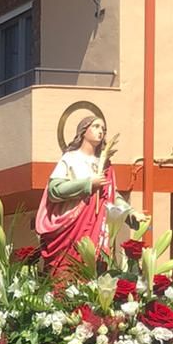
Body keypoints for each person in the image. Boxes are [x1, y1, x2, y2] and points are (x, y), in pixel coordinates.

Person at [35, 113, 125, 269]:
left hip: (96, 228)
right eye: (96, 126)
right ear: (83, 131)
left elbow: (112, 195)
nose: (101, 131)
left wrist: (130, 212)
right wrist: (88, 184)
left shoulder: (105, 165)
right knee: (67, 271)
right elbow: (54, 190)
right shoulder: (71, 158)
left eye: (103, 128)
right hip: (72, 225)